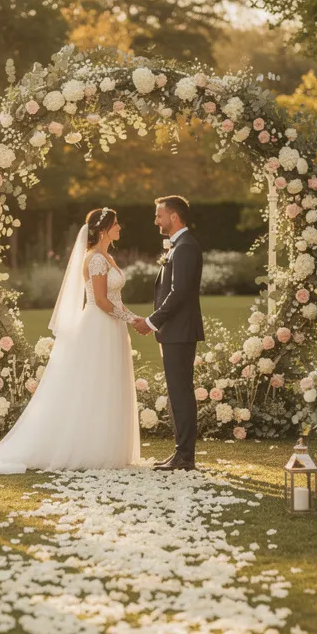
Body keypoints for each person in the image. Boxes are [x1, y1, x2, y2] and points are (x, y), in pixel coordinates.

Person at [0, 208, 142, 473]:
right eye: (116, 224)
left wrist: (129, 318)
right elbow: (102, 301)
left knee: (108, 383)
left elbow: (114, 298)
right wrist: (132, 319)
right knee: (94, 384)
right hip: (98, 326)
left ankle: (107, 445)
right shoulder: (95, 260)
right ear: (104, 230)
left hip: (112, 327)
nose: (120, 227)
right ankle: (90, 448)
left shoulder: (108, 257)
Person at [131, 195, 204, 471]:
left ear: (174, 217)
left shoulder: (185, 247)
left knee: (180, 393)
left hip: (179, 332)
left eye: (159, 215)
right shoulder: (178, 246)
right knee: (177, 393)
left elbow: (179, 293)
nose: (156, 220)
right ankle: (181, 453)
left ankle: (185, 456)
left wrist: (151, 321)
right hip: (174, 331)